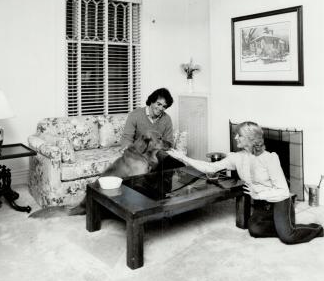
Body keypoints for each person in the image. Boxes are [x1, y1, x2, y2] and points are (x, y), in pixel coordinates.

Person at [168, 121, 323, 244]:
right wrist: (183, 158)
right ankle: (283, 225)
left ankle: (318, 229)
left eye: (239, 136)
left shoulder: (269, 158)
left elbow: (283, 191)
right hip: (263, 204)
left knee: (288, 237)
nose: (235, 138)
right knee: (254, 229)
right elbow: (211, 167)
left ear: (250, 139)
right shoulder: (237, 157)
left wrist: (259, 193)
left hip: (280, 201)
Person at [120, 87, 174, 151]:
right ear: (152, 101)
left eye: (164, 106)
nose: (161, 108)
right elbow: (127, 138)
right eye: (159, 104)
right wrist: (130, 151)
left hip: (156, 153)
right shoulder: (135, 115)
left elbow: (169, 143)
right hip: (137, 152)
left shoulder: (167, 119)